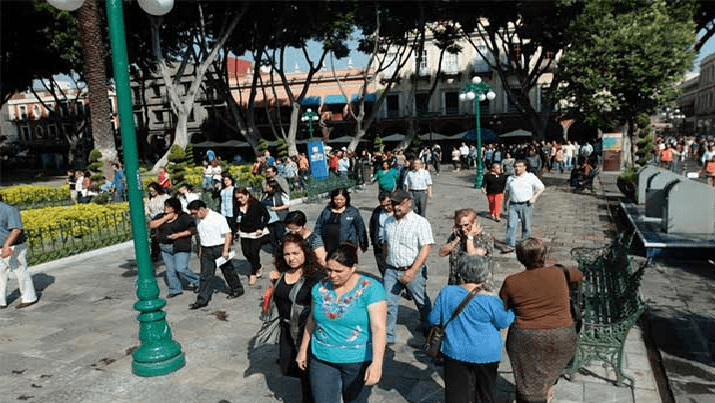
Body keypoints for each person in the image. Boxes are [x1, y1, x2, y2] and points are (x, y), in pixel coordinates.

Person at [296, 243, 387, 403]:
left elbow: (378, 328)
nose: (332, 275)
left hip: (358, 360)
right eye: (329, 269)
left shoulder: (372, 289)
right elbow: (311, 319)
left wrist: (377, 364)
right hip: (322, 357)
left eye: (339, 271)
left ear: (353, 267)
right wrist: (303, 350)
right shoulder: (319, 288)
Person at [499, 238, 583, 403]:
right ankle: (547, 394)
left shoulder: (511, 281)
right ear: (544, 256)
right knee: (548, 376)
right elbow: (579, 274)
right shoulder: (560, 273)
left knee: (527, 381)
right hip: (562, 336)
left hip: (525, 338)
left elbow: (503, 306)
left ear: (519, 258)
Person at [429, 254, 514, 403]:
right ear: (484, 275)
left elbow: (433, 319)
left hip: (455, 351)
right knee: (485, 393)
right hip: (486, 353)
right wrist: (513, 311)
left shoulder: (446, 293)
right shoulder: (491, 300)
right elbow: (503, 322)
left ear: (461, 272)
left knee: (456, 395)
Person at [264, 234, 324, 403]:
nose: (291, 258)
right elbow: (269, 304)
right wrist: (271, 284)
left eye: (295, 253)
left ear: (305, 252)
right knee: (287, 367)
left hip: (307, 330)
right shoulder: (281, 274)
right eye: (287, 254)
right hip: (286, 329)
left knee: (306, 371)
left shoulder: (315, 277)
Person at [383, 190, 434, 344]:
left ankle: (429, 328)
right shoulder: (388, 222)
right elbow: (386, 243)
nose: (395, 207)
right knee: (388, 303)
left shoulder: (420, 222)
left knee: (421, 301)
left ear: (408, 203)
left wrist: (412, 271)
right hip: (392, 269)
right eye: (393, 203)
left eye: (399, 203)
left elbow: (426, 248)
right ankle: (387, 335)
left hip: (412, 269)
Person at [187, 200, 244, 309]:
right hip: (205, 250)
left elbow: (228, 234)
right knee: (205, 275)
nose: (194, 216)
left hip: (219, 247)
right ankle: (202, 299)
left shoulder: (217, 218)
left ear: (202, 209)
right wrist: (200, 250)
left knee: (228, 270)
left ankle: (237, 289)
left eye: (195, 213)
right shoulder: (199, 220)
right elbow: (201, 236)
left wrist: (226, 250)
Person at [149, 197, 200, 298]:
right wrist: (165, 218)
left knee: (181, 268)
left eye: (168, 206)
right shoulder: (161, 216)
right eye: (165, 206)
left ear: (175, 207)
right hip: (165, 247)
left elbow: (192, 230)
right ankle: (175, 289)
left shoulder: (183, 217)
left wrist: (178, 235)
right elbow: (152, 225)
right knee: (170, 270)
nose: (166, 208)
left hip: (181, 246)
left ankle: (197, 281)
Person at [438, 208, 495, 286]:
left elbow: (472, 255)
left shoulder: (485, 237)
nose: (463, 229)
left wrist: (470, 237)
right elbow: (442, 253)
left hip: (478, 287)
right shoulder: (457, 235)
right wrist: (455, 240)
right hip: (456, 283)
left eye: (466, 225)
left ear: (474, 222)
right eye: (460, 225)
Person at [0, 195, 37, 309]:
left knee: (20, 271)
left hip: (15, 245)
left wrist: (6, 246)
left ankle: (29, 297)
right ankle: (1, 300)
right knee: (0, 273)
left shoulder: (9, 210)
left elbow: (16, 230)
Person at [502, 160, 544, 254]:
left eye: (520, 166)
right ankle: (510, 245)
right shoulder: (510, 178)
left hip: (526, 204)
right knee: (511, 225)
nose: (517, 168)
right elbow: (507, 192)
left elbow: (541, 187)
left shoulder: (530, 177)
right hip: (513, 204)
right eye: (516, 166)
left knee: (526, 226)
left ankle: (525, 245)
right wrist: (505, 203)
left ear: (525, 167)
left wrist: (534, 197)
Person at [314, 188, 369, 256]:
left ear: (346, 199)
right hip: (328, 247)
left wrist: (363, 242)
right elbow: (319, 226)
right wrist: (317, 242)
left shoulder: (352, 211)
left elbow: (360, 227)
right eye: (336, 199)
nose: (339, 201)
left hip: (347, 247)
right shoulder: (326, 211)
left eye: (342, 199)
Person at [233, 187, 270, 286]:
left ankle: (253, 273)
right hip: (244, 232)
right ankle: (258, 266)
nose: (240, 200)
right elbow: (235, 219)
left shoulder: (256, 205)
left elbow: (267, 217)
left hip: (256, 232)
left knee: (254, 252)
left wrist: (260, 228)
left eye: (242, 197)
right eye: (238, 198)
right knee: (246, 252)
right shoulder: (236, 206)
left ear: (247, 195)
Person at [368, 192, 393, 277]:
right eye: (383, 205)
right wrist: (374, 242)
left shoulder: (399, 212)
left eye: (389, 203)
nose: (387, 207)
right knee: (383, 269)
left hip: (394, 245)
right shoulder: (377, 212)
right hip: (380, 246)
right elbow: (372, 228)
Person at [145, 182, 170, 262]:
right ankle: (155, 253)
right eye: (150, 191)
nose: (151, 193)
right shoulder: (149, 199)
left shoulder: (164, 197)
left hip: (163, 218)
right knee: (154, 237)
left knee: (164, 235)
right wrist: (148, 212)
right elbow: (146, 207)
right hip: (153, 218)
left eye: (153, 191)